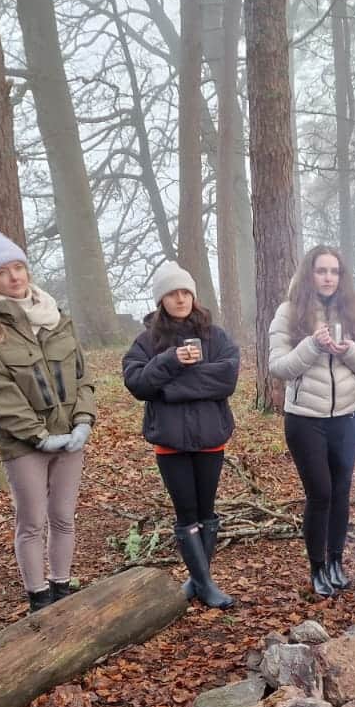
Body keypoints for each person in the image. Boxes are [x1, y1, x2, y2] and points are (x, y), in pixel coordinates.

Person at [0, 230, 96, 612]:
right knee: (33, 521)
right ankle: (38, 600)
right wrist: (37, 435)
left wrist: (83, 421)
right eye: (3, 272)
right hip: (23, 444)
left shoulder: (58, 319)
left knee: (64, 518)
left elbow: (82, 376)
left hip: (70, 437)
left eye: (18, 267)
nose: (14, 277)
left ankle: (61, 592)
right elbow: (0, 391)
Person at [122, 260, 240, 609]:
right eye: (172, 293)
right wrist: (170, 361)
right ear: (161, 299)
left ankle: (199, 581)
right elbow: (137, 383)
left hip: (210, 437)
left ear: (193, 295)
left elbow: (227, 379)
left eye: (185, 292)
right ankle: (204, 583)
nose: (180, 298)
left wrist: (170, 388)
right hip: (170, 441)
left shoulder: (215, 336)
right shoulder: (147, 341)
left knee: (207, 511)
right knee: (186, 512)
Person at [268, 245, 355, 597]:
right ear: (309, 274)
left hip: (347, 416)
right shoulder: (289, 312)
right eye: (321, 271)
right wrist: (312, 346)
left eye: (334, 271)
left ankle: (336, 561)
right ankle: (317, 567)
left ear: (341, 276)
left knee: (342, 491)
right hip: (305, 419)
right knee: (320, 493)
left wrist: (350, 351)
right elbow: (278, 367)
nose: (328, 277)